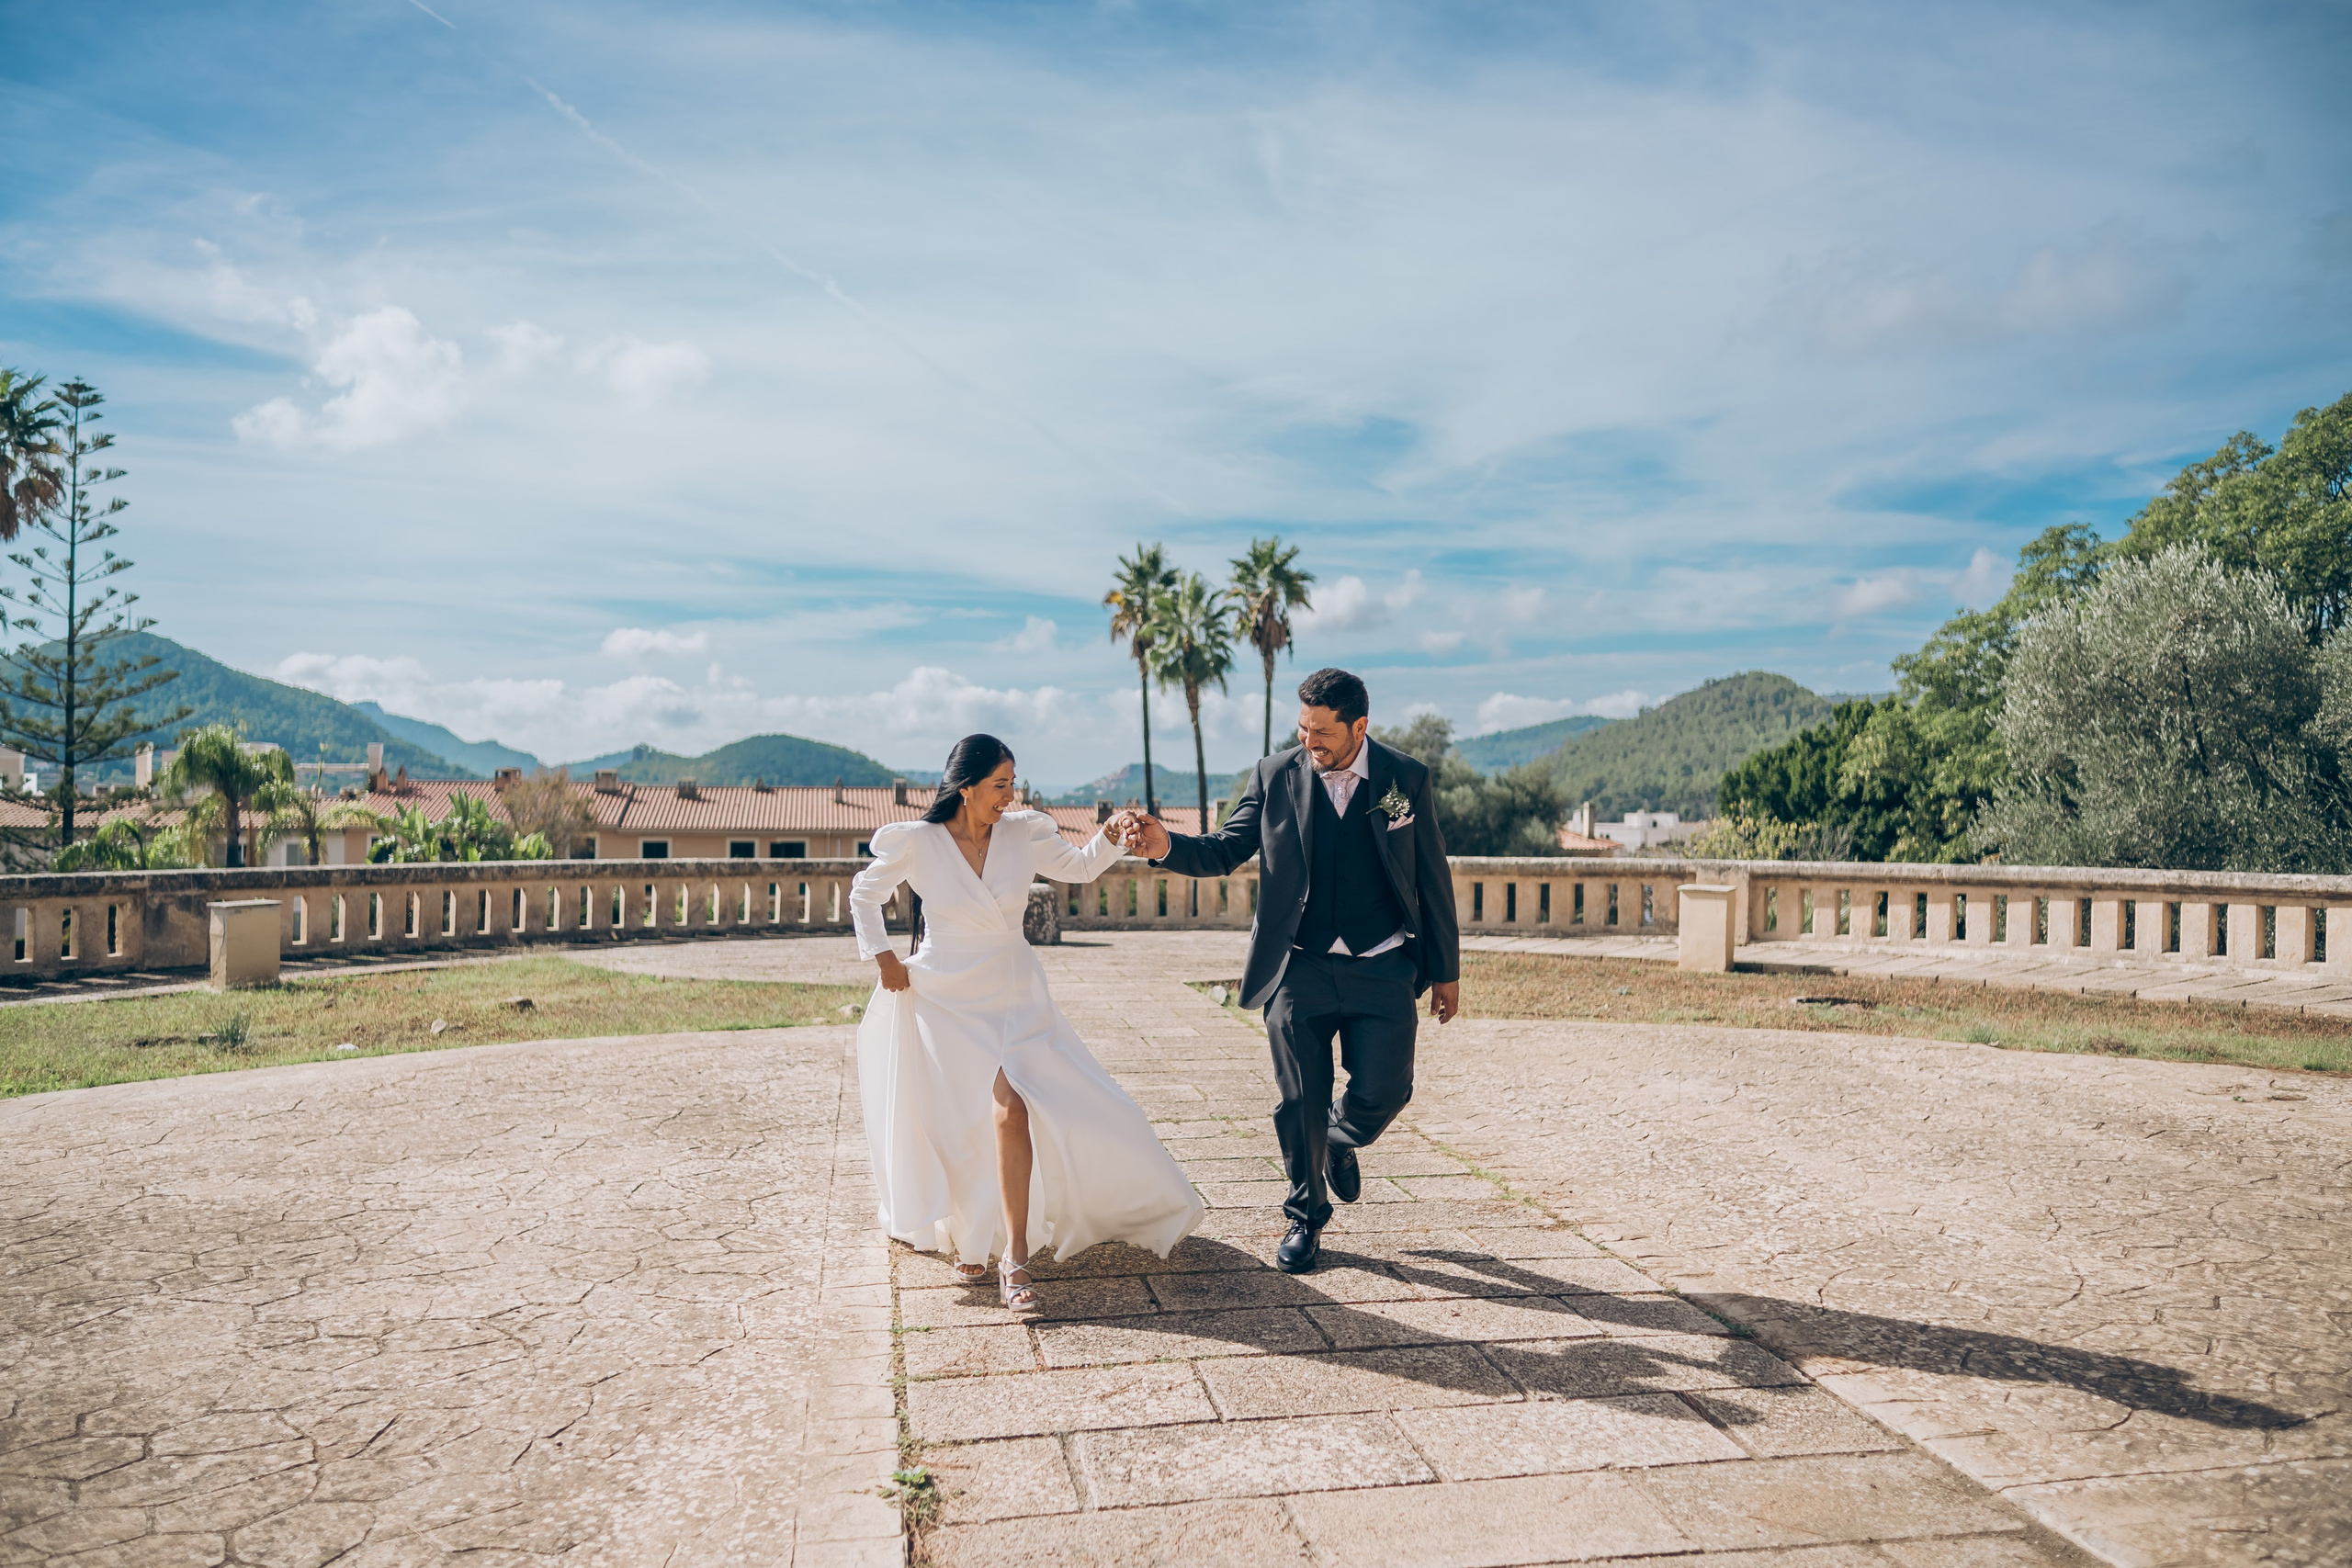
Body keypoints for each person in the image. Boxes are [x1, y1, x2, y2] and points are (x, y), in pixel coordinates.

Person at [1122, 668, 1461, 1275]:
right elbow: (1226, 847)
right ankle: (1306, 1217)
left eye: (1324, 731)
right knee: (1299, 1098)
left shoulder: (1404, 778)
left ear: (1361, 725)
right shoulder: (1276, 775)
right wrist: (1165, 844)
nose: (1310, 742)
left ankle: (1339, 1138)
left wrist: (1445, 969)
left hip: (1382, 965)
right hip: (1297, 966)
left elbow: (1432, 875)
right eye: (1303, 728)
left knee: (1386, 1090)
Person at [850, 733, 1204, 1310]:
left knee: (1026, 1108)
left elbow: (1082, 868)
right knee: (966, 1121)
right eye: (999, 785)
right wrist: (884, 957)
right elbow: (864, 895)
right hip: (945, 996)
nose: (1009, 796)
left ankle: (1013, 1254)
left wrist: (1111, 832)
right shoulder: (918, 842)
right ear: (965, 788)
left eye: (1012, 783)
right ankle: (979, 1239)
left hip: (1015, 993)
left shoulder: (1022, 833)